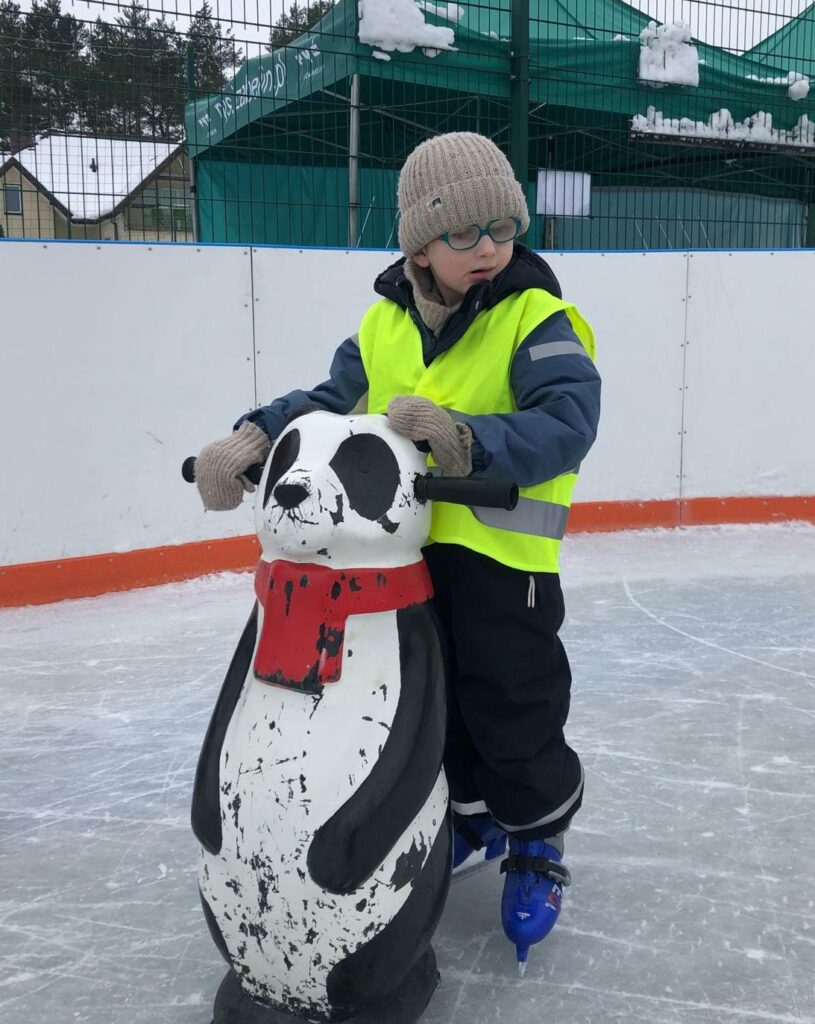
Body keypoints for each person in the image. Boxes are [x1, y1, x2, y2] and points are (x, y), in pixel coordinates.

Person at [194, 131, 601, 972]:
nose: (487, 246)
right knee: (435, 704)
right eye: (463, 232)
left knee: (511, 704)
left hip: (504, 566)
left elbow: (566, 422)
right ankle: (473, 817)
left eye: (502, 227)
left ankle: (535, 837)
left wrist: (466, 439)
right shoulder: (383, 324)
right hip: (406, 567)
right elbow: (327, 402)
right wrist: (254, 438)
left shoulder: (538, 318)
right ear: (418, 246)